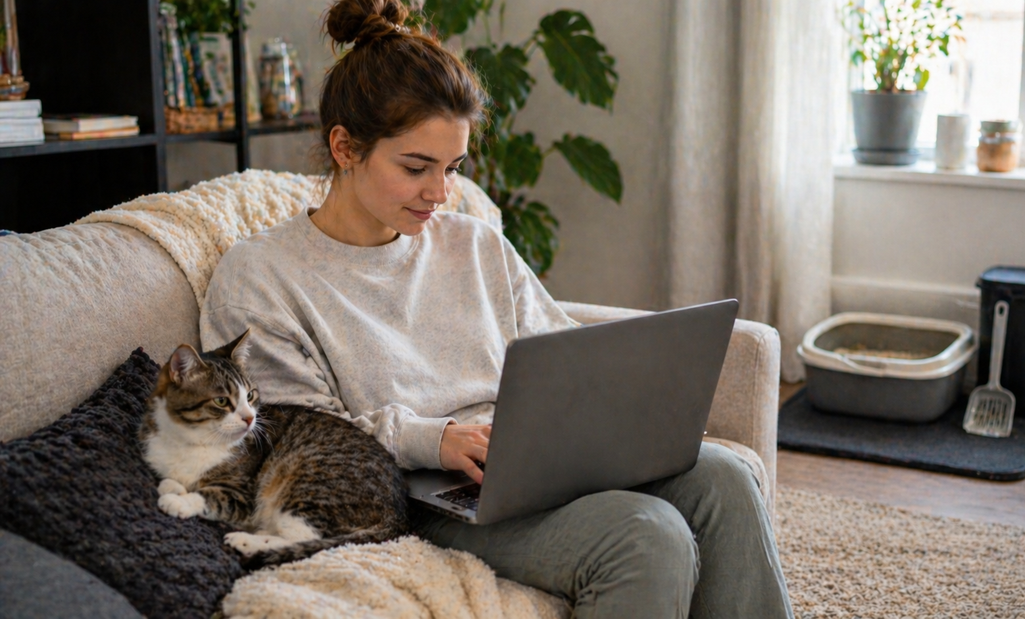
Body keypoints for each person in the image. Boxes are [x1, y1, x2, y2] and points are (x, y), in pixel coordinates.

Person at [200, 1, 793, 617]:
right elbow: (297, 440)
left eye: (452, 168)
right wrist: (437, 440)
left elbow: (566, 357)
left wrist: (639, 416)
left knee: (723, 474)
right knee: (647, 534)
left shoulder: (474, 243)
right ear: (345, 148)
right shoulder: (261, 277)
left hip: (527, 465)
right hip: (414, 495)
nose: (440, 193)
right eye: (416, 167)